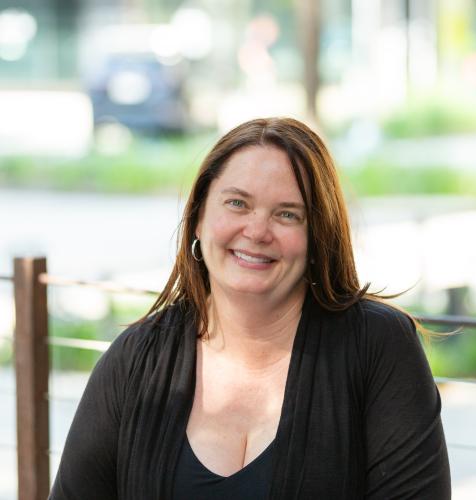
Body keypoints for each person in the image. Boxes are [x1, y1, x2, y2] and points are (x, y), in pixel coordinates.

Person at [49, 117, 451, 499]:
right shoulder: (135, 360)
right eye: (238, 204)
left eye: (287, 214)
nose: (257, 231)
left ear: (317, 238)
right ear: (199, 219)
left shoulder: (379, 347)